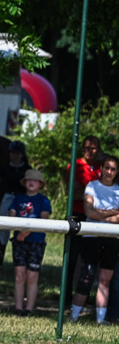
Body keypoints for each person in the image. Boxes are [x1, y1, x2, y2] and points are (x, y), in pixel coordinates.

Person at [70, 153, 119, 324]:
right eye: (107, 168)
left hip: (112, 238)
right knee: (87, 275)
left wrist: (100, 214)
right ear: (102, 169)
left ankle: (100, 319)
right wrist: (113, 212)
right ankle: (74, 316)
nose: (109, 172)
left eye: (113, 169)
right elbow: (89, 212)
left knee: (105, 279)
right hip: (91, 236)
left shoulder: (118, 190)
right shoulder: (91, 186)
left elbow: (98, 213)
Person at [65, 136, 102, 305]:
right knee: (72, 258)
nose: (90, 151)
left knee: (90, 260)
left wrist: (89, 193)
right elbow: (73, 192)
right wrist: (97, 193)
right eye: (87, 147)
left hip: (97, 217)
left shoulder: (104, 167)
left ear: (98, 149)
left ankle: (84, 297)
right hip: (78, 214)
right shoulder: (75, 166)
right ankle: (66, 296)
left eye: (93, 148)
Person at [8, 169, 52, 316]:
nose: (31, 182)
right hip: (19, 242)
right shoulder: (17, 198)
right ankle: (18, 308)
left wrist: (25, 233)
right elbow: (12, 216)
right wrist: (20, 233)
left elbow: (43, 219)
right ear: (25, 183)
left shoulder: (44, 200)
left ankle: (29, 309)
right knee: (19, 274)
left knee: (32, 276)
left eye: (35, 180)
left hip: (36, 242)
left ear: (40, 184)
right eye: (29, 180)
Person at [0, 140, 32, 265]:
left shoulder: (27, 169)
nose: (15, 156)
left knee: (23, 229)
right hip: (8, 198)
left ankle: (21, 260)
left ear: (22, 155)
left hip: (23, 200)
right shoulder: (6, 167)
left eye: (18, 153)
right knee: (4, 227)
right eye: (13, 153)